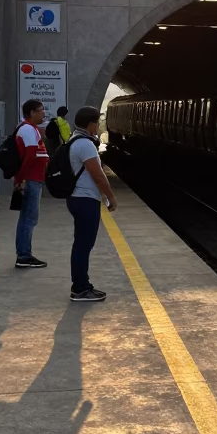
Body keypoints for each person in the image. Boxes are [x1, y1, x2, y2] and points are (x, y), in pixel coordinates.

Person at [66, 105, 118, 301]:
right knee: (83, 245)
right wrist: (110, 196)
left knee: (81, 244)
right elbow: (98, 174)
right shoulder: (85, 144)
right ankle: (80, 289)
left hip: (77, 198)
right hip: (85, 199)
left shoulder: (75, 139)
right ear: (90, 124)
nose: (98, 126)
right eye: (97, 123)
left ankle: (82, 285)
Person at [14, 99, 49, 268]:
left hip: (33, 178)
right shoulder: (27, 130)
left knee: (28, 217)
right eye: (41, 110)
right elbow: (29, 157)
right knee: (29, 218)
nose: (44, 113)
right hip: (31, 179)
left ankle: (24, 254)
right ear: (32, 113)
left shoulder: (31, 129)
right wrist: (21, 179)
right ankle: (24, 256)